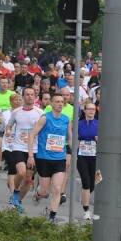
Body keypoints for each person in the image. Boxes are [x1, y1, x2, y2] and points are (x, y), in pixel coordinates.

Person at [27, 93, 73, 224]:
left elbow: (70, 138)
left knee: (57, 188)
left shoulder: (66, 119)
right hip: (44, 158)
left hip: (59, 158)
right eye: (57, 101)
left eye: (61, 102)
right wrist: (31, 155)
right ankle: (38, 193)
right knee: (45, 191)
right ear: (51, 104)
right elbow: (32, 135)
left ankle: (52, 215)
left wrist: (73, 152)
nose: (59, 104)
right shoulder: (45, 118)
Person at [76, 102, 101, 222]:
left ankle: (84, 196)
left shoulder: (99, 124)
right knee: (86, 181)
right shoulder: (79, 124)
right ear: (84, 111)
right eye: (89, 109)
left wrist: (98, 140)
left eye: (93, 109)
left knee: (93, 183)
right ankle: (86, 210)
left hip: (94, 156)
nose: (91, 111)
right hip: (82, 156)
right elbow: (74, 137)